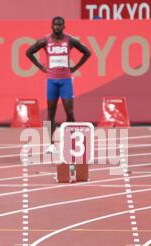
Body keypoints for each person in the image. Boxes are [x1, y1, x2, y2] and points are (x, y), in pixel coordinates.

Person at [26, 16, 91, 153]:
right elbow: (29, 52)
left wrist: (75, 68)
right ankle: (51, 144)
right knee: (50, 112)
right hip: (51, 81)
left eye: (60, 25)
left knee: (70, 112)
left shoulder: (70, 40)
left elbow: (87, 52)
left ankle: (71, 141)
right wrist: (41, 67)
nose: (57, 27)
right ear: (51, 26)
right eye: (55, 25)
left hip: (66, 80)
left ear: (64, 26)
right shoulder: (45, 40)